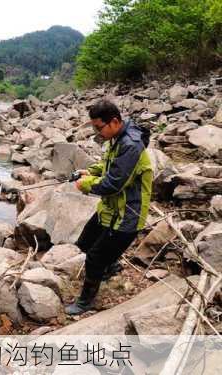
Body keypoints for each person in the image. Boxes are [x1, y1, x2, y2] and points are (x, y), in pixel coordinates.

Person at [66, 100, 153, 315]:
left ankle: (86, 301)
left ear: (114, 121)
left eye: (98, 127)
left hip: (127, 215)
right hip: (112, 208)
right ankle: (110, 266)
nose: (97, 132)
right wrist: (89, 171)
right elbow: (108, 165)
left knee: (95, 256)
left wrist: (84, 185)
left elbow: (112, 184)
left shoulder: (131, 145)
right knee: (86, 241)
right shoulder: (117, 137)